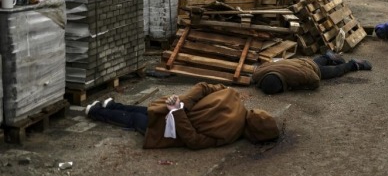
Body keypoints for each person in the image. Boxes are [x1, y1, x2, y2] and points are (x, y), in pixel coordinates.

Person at [85, 82, 280, 149]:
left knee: (146, 111)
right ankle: (96, 111)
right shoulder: (230, 134)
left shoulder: (233, 95)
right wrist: (180, 108)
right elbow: (194, 141)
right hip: (173, 127)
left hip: (173, 113)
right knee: (136, 120)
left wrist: (184, 103)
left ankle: (109, 105)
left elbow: (203, 87)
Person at [252, 51, 373, 94]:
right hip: (300, 60)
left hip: (309, 68)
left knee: (336, 71)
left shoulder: (296, 75)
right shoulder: (259, 74)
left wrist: (299, 88)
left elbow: (315, 81)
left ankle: (353, 64)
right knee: (316, 61)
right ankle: (327, 56)